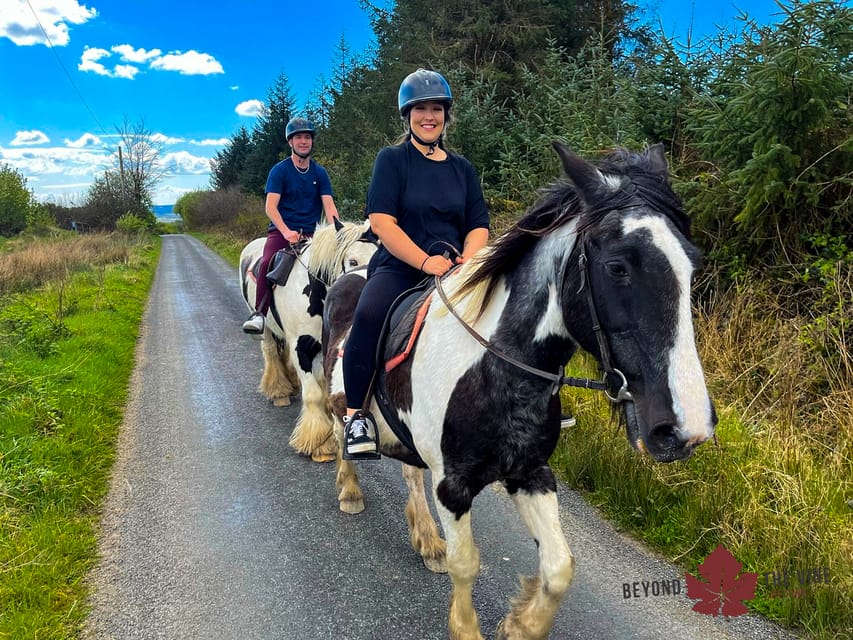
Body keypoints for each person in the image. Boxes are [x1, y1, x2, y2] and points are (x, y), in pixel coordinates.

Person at [342, 69, 490, 459]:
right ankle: (357, 416)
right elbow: (381, 222)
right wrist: (425, 262)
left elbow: (478, 226)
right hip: (401, 267)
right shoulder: (392, 160)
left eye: (436, 108)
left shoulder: (463, 169)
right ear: (407, 116)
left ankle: (524, 403)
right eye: (420, 109)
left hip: (456, 270)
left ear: (446, 115)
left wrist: (467, 262)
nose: (429, 116)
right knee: (369, 316)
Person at [242, 117, 340, 334]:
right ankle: (259, 313)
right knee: (267, 262)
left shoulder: (319, 172)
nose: (303, 141)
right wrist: (286, 231)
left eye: (307, 137)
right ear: (290, 142)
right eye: (298, 138)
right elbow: (270, 207)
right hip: (282, 231)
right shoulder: (279, 171)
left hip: (313, 234)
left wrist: (338, 231)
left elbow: (330, 207)